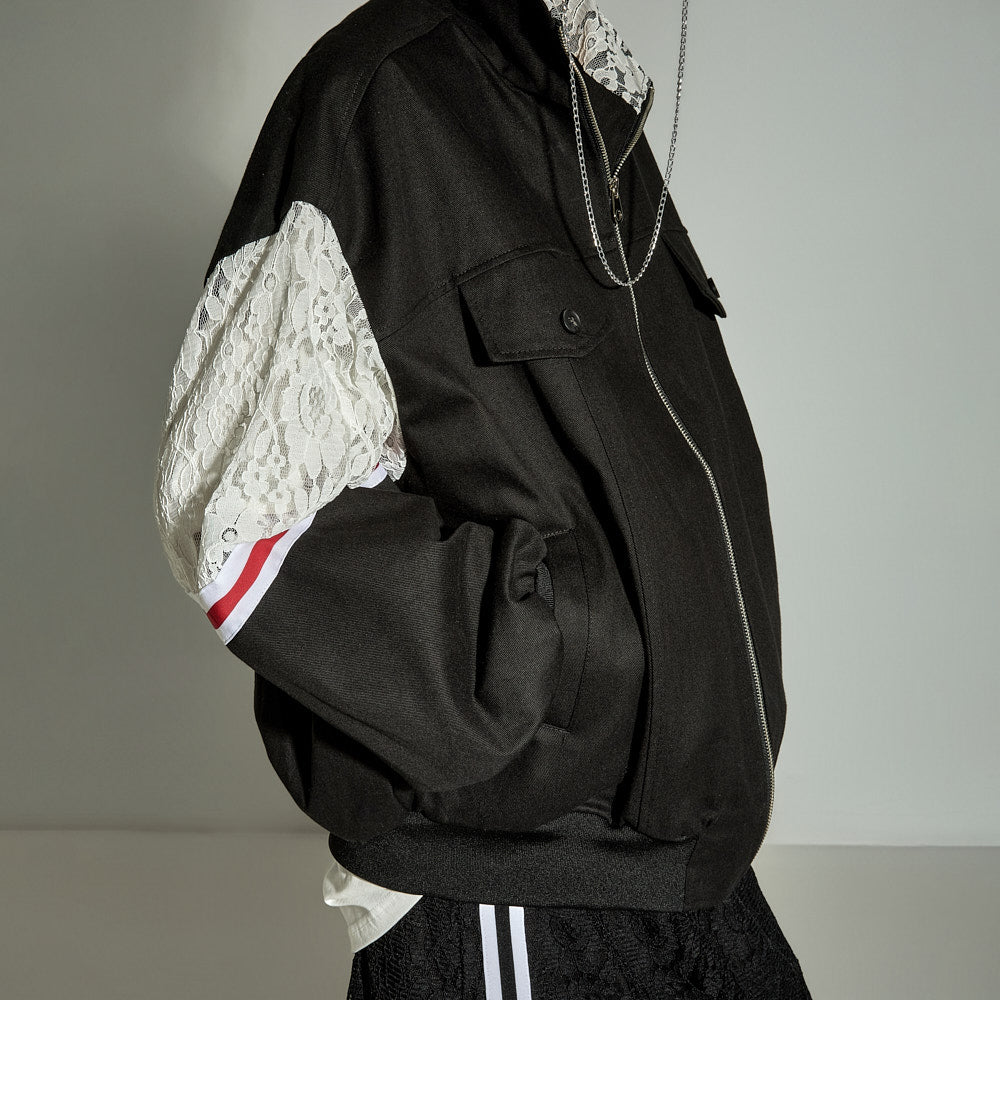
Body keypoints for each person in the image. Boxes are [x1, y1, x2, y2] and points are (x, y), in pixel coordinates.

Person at [153, 0, 812, 999]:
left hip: (692, 865)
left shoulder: (591, 112)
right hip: (509, 885)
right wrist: (558, 649)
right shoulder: (379, 97)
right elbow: (231, 508)